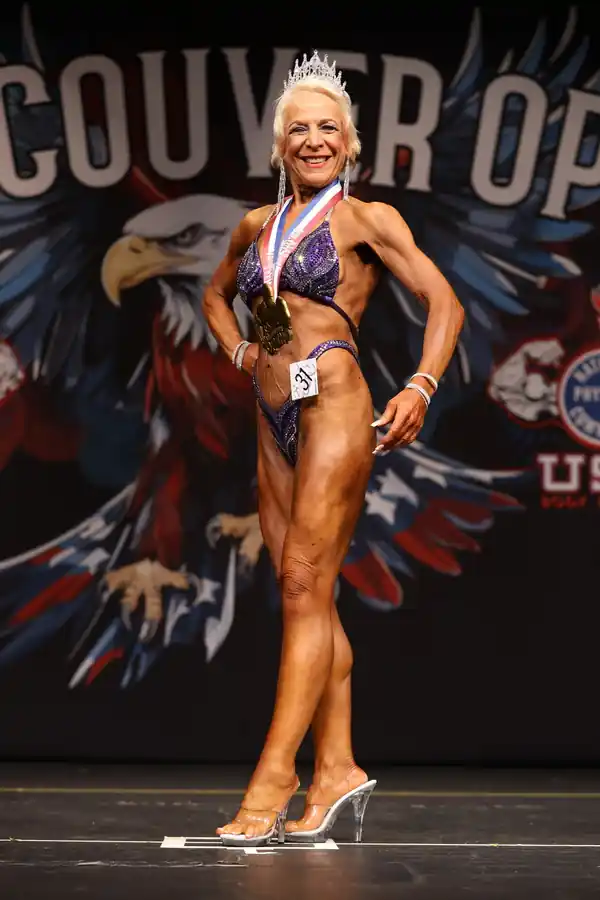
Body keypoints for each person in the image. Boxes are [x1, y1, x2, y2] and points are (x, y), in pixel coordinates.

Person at [202, 51, 464, 846]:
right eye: (299, 129)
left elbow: (444, 301)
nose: (313, 140)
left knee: (301, 582)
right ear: (279, 146)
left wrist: (421, 384)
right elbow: (217, 296)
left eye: (327, 128)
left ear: (349, 144)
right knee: (309, 597)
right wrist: (243, 352)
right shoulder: (257, 228)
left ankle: (274, 777)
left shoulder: (366, 220)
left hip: (335, 403)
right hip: (272, 412)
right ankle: (339, 767)